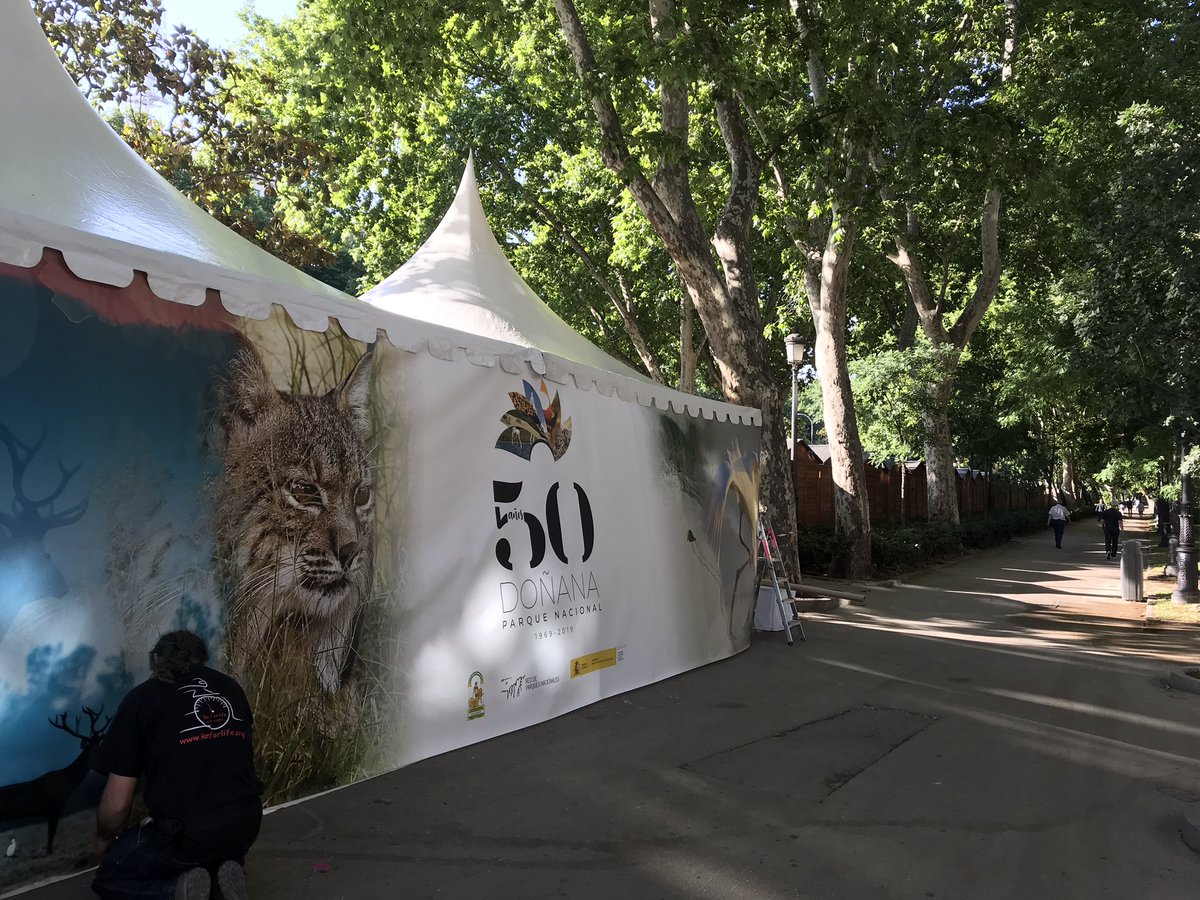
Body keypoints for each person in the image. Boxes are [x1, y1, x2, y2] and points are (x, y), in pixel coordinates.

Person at [91, 631, 262, 900]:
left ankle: (173, 891)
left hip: (186, 836)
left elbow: (118, 803)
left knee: (108, 878)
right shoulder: (231, 688)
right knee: (210, 844)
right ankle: (223, 873)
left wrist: (103, 840)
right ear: (202, 658)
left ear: (156, 659)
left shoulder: (141, 700)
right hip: (246, 825)